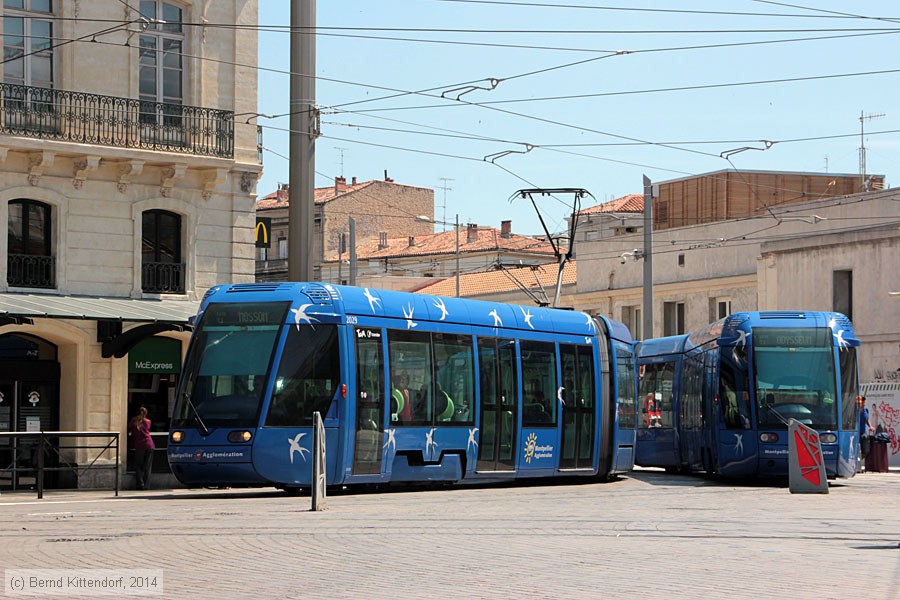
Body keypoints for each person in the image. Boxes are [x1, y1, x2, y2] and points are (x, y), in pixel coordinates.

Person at [129, 406, 155, 490]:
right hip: (149, 444)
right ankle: (146, 486)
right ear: (146, 413)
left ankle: (140, 484)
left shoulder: (134, 421)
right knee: (147, 466)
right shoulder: (148, 421)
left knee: (138, 465)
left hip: (139, 445)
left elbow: (130, 429)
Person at [858, 396, 870, 470]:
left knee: (865, 450)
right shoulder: (856, 411)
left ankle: (858, 462)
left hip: (863, 432)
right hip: (856, 433)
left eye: (864, 402)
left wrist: (870, 426)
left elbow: (867, 420)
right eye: (862, 402)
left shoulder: (866, 410)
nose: (864, 403)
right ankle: (857, 465)